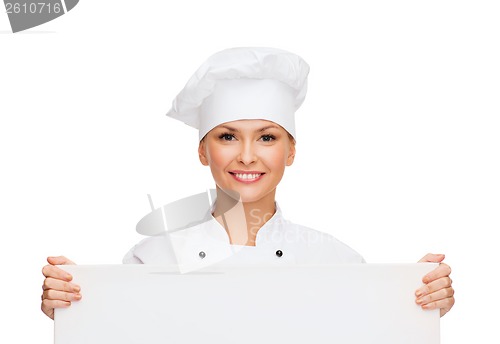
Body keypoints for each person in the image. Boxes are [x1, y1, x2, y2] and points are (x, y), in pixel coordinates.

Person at [41, 47, 455, 320]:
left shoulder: (334, 259)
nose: (247, 156)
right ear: (202, 151)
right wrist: (76, 302)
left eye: (267, 137)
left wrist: (418, 299)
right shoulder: (154, 257)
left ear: (291, 152)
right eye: (227, 136)